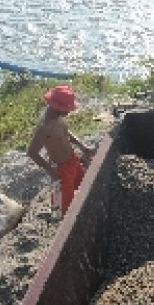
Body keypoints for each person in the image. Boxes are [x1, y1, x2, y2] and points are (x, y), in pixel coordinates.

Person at [27, 85, 96, 215]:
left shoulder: (58, 117)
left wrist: (82, 147)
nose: (69, 112)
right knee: (63, 203)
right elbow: (32, 152)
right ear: (56, 107)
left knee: (82, 184)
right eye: (67, 109)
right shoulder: (44, 127)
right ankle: (61, 218)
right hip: (60, 167)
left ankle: (76, 208)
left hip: (73, 160)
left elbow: (66, 133)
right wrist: (51, 171)